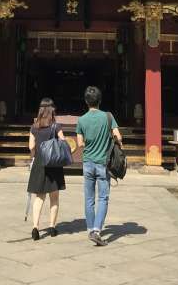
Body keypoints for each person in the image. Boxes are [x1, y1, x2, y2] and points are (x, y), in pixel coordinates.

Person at [76, 86, 122, 246]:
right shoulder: (108, 117)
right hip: (104, 164)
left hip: (88, 162)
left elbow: (80, 143)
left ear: (86, 101)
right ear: (100, 100)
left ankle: (90, 229)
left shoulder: (81, 120)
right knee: (103, 197)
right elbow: (118, 136)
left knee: (89, 198)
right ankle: (96, 230)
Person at [27, 97, 67, 240]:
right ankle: (52, 227)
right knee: (54, 197)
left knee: (39, 197)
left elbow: (31, 146)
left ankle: (35, 227)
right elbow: (63, 143)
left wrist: (33, 157)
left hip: (39, 163)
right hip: (54, 164)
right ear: (52, 110)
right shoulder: (56, 127)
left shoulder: (34, 127)